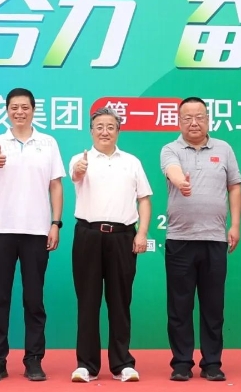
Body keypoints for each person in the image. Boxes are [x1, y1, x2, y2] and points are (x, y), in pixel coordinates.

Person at [0, 88, 65, 382]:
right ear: (6, 110)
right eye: (14, 107)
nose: (20, 112)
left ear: (33, 109)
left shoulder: (48, 142)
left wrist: (55, 223)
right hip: (0, 230)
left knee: (34, 300)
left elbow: (56, 185)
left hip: (36, 231)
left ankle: (33, 360)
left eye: (25, 107)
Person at [160, 97, 241, 382]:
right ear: (178, 121)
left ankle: (212, 363)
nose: (193, 122)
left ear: (208, 119)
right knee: (179, 306)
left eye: (199, 117)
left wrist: (235, 225)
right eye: (187, 118)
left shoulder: (224, 149)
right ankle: (182, 362)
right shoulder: (170, 149)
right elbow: (171, 169)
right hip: (180, 239)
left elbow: (235, 187)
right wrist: (180, 181)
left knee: (213, 306)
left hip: (214, 239)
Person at [69, 107, 152, 383]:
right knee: (88, 302)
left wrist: (142, 233)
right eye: (99, 127)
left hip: (123, 237)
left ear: (118, 131)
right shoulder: (80, 160)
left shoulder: (131, 162)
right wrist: (79, 170)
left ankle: (122, 364)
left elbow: (144, 199)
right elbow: (76, 176)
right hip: (88, 235)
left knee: (120, 302)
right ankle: (86, 365)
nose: (105, 131)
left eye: (110, 127)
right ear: (91, 131)